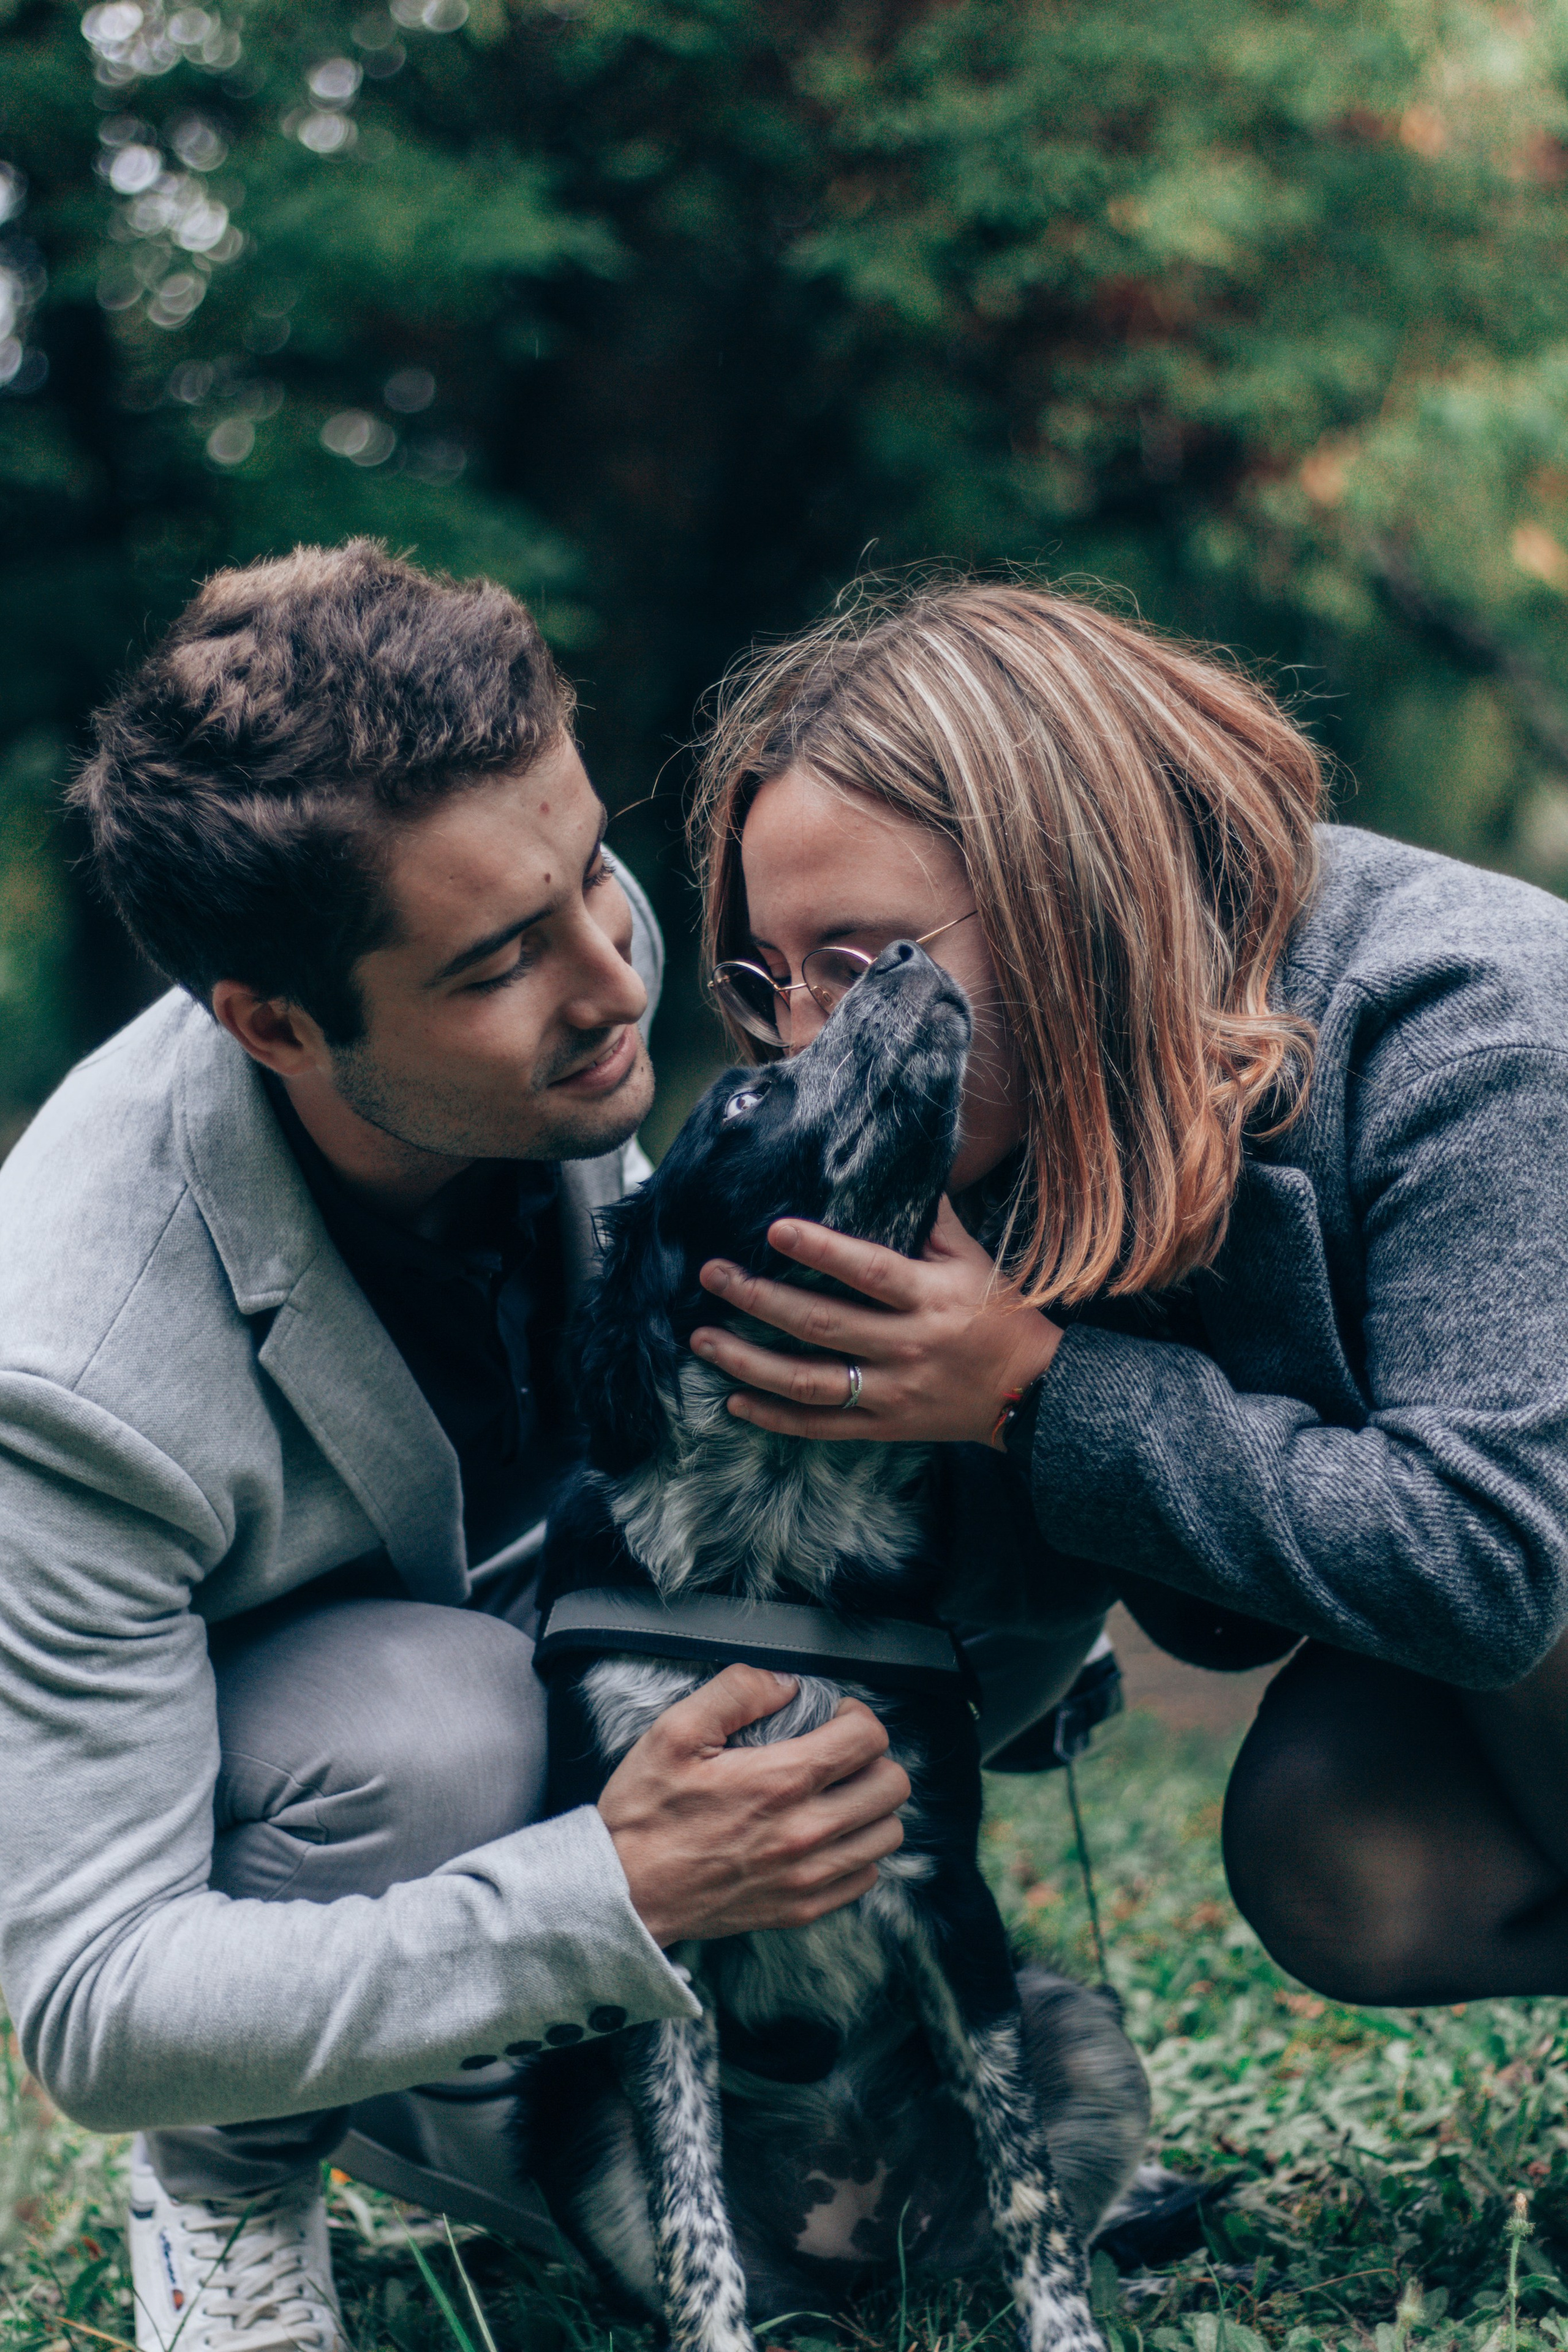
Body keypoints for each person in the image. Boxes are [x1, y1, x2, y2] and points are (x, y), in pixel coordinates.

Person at [0, 541, 967, 2352]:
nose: (614, 979)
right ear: (276, 1023)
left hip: (599, 1671)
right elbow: (101, 2005)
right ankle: (230, 2189)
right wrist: (619, 1884)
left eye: (593, 868)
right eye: (507, 958)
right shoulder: (68, 1364)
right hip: (332, 1809)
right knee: (432, 1709)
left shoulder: (574, 975)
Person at [684, 575, 1568, 2013]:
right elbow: (1215, 1614)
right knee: (1339, 1846)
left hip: (1524, 1566)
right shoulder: (1037, 1103)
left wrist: (1033, 1390)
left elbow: (1488, 1568)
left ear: (1061, 892)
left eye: (854, 964)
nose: (802, 1044)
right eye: (769, 976)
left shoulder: (1464, 1016)